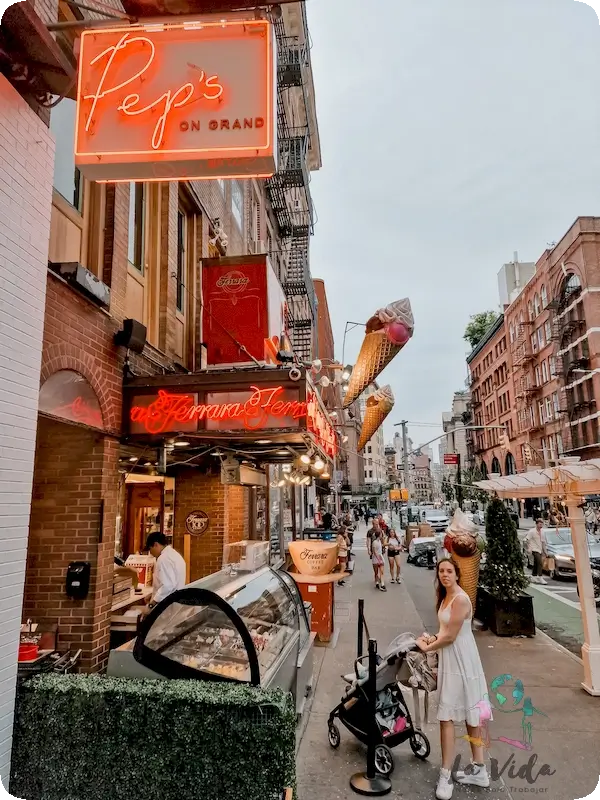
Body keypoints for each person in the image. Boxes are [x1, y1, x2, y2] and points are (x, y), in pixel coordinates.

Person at [416, 558, 490, 799]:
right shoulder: (445, 596)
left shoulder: (460, 599)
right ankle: (478, 769)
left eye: (449, 571)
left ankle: (446, 775)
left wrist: (427, 647)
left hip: (462, 661)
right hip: (451, 659)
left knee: (455, 715)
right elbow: (445, 632)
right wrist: (432, 638)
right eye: (441, 571)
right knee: (463, 715)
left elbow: (451, 637)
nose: (445, 574)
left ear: (457, 574)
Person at [144, 532, 186, 612]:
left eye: (150, 549)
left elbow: (168, 586)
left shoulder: (163, 559)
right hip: (174, 603)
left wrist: (151, 605)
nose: (151, 553)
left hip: (167, 607)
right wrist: (153, 595)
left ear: (156, 544)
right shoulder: (174, 555)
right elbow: (170, 582)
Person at [524, 519, 547, 584]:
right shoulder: (532, 531)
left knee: (536, 563)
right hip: (534, 549)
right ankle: (540, 577)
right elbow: (526, 539)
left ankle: (533, 576)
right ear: (536, 524)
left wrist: (545, 551)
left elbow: (543, 542)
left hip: (539, 549)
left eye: (542, 524)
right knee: (540, 562)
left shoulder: (542, 532)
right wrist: (528, 548)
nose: (541, 525)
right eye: (540, 524)